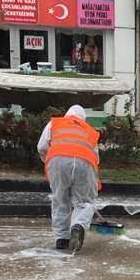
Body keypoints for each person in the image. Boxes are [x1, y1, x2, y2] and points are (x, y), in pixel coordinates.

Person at [37, 105, 101, 253]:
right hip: (85, 162)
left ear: (67, 115)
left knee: (60, 199)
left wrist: (50, 161)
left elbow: (41, 147)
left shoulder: (55, 123)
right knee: (84, 202)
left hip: (56, 160)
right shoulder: (89, 130)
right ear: (83, 119)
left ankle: (61, 239)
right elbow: (96, 159)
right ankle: (78, 227)